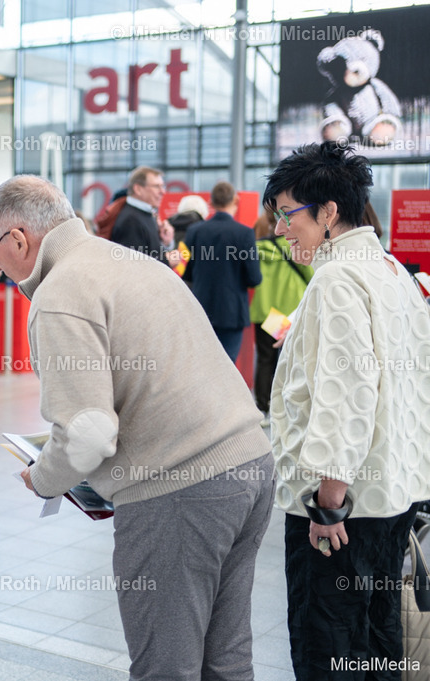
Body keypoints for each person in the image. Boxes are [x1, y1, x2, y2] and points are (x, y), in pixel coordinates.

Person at [0, 174, 273, 681]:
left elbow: (90, 431)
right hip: (249, 463)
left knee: (166, 665)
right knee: (225, 659)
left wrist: (45, 477)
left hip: (182, 488)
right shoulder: (130, 261)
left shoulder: (60, 291)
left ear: (19, 240)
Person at [265, 141, 430, 680]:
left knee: (327, 644)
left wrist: (327, 499)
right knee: (378, 636)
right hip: (392, 494)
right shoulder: (388, 268)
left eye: (288, 214)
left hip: (344, 509)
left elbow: (347, 391)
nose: (281, 230)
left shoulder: (338, 278)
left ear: (328, 212)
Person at [182, 181, 263, 360]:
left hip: (200, 308)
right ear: (235, 200)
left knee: (201, 364)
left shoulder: (195, 231)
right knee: (227, 366)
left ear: (211, 202)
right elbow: (254, 278)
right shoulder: (244, 233)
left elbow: (186, 271)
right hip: (232, 312)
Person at [248, 208, 311, 427]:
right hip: (289, 311)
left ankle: (262, 407)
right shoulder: (294, 246)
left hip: (266, 311)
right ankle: (285, 408)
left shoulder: (256, 248)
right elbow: (311, 275)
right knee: (292, 361)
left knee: (265, 360)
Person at [110, 166, 175, 264]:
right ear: (138, 189)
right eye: (157, 186)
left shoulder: (145, 214)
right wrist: (167, 260)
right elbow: (133, 265)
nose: (163, 192)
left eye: (163, 186)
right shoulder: (131, 220)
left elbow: (148, 254)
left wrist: (165, 243)